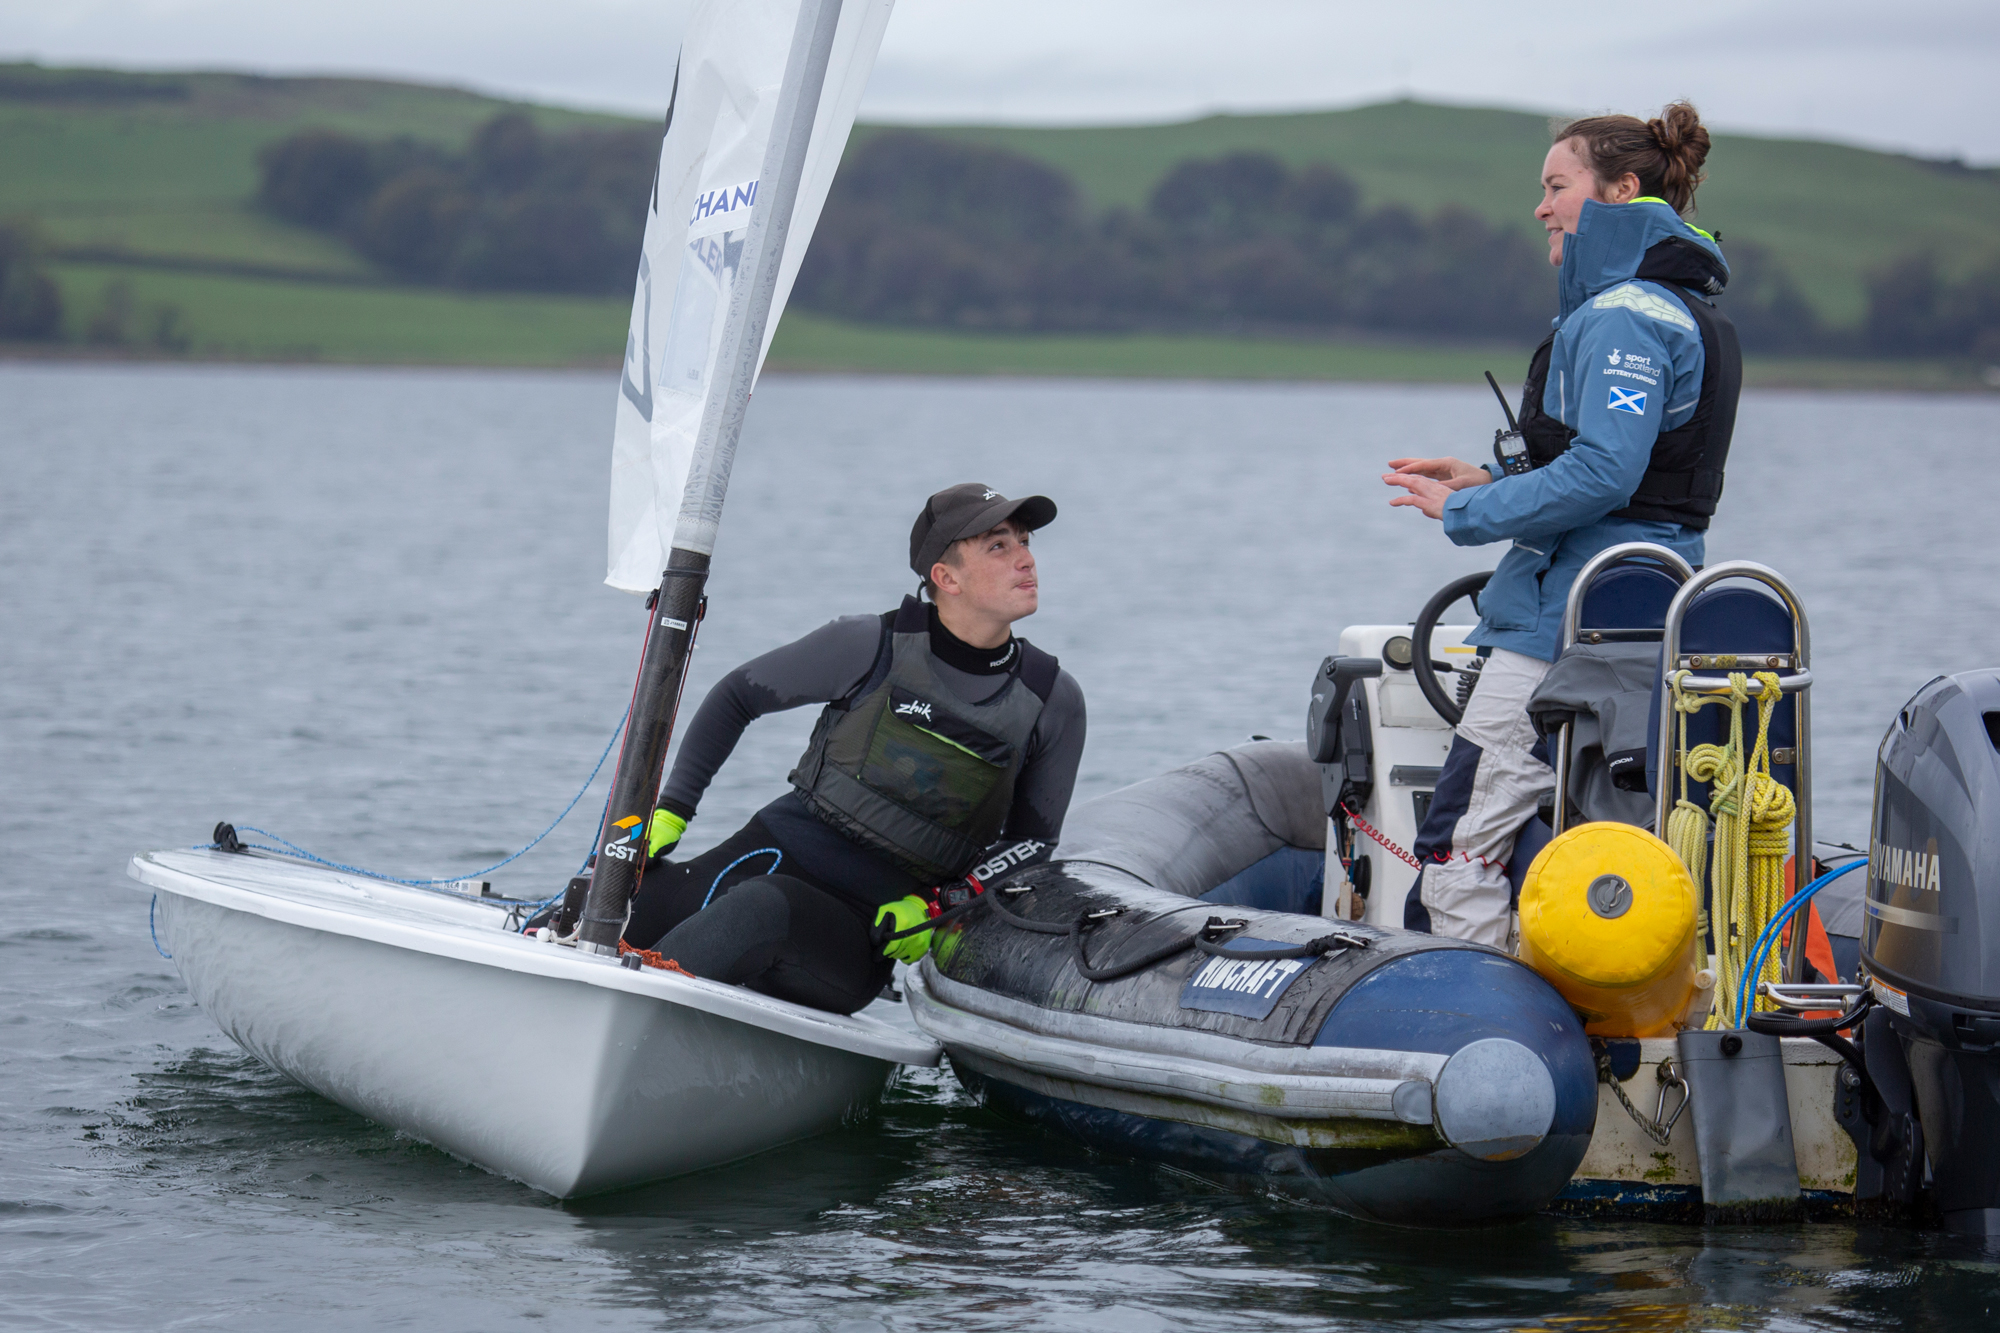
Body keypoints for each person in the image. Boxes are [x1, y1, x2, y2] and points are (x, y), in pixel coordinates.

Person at [1380, 102, 1741, 947]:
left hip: (1563, 625)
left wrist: (1468, 508)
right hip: (1641, 608)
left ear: (1619, 192)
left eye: (1556, 186)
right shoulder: (1668, 307)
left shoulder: (1624, 316)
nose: (1540, 207)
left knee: (1455, 853)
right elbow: (1636, 472)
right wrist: (1497, 473)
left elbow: (1606, 471)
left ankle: (1483, 1037)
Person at [613, 483, 1087, 1013]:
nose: (1026, 559)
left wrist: (941, 904)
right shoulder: (867, 645)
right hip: (761, 854)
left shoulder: (1052, 700)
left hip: (860, 929)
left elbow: (1031, 844)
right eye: (1000, 546)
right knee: (600, 896)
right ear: (945, 577)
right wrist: (672, 813)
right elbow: (736, 697)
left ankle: (623, 1026)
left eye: (1025, 541)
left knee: (761, 909)